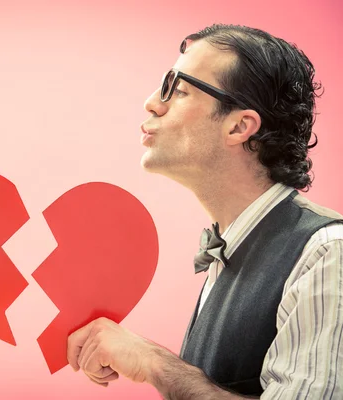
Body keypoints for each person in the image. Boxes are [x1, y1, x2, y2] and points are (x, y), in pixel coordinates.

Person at [67, 24, 343, 399]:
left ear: (240, 126)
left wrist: (154, 363)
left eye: (178, 90)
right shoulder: (227, 253)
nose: (152, 102)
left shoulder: (327, 253)